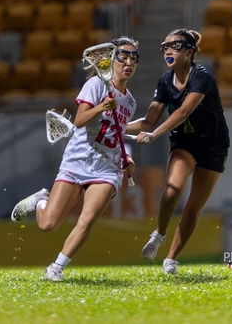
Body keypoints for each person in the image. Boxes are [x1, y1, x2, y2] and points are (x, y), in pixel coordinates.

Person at [10, 37, 139, 281]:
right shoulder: (95, 85)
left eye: (134, 58)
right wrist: (101, 108)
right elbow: (79, 120)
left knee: (88, 218)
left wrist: (126, 158)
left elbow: (115, 135)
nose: (129, 62)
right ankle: (40, 200)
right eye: (123, 57)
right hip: (77, 160)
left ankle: (56, 268)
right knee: (48, 224)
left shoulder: (130, 102)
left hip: (107, 168)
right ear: (111, 60)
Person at [126, 29, 230, 275]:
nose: (168, 51)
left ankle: (170, 260)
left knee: (193, 208)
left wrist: (154, 135)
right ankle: (159, 234)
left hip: (214, 145)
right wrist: (116, 125)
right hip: (184, 143)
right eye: (165, 47)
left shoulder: (201, 76)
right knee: (173, 189)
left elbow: (183, 112)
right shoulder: (165, 81)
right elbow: (148, 120)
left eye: (174, 46)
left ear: (190, 52)